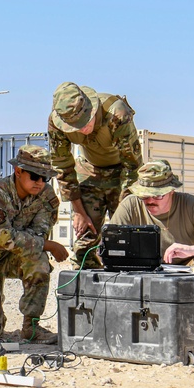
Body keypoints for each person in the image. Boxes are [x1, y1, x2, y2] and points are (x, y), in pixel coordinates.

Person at [0, 144, 69, 344]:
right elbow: (18, 237)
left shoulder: (47, 197)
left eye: (45, 178)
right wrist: (49, 245)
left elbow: (37, 235)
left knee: (38, 259)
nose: (40, 183)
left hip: (11, 256)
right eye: (35, 176)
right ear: (18, 172)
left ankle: (31, 327)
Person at [48, 82, 143, 269]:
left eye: (84, 122)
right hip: (90, 171)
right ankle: (85, 286)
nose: (81, 129)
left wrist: (123, 211)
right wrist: (79, 211)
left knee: (125, 236)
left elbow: (132, 167)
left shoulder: (117, 113)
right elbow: (62, 166)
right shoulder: (56, 122)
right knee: (86, 239)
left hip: (122, 173)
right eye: (73, 126)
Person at [110, 160, 194, 265]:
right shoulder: (130, 205)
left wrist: (191, 250)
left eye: (157, 195)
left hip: (188, 269)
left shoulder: (191, 205)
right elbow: (109, 245)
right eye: (144, 196)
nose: (150, 201)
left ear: (172, 191)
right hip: (143, 268)